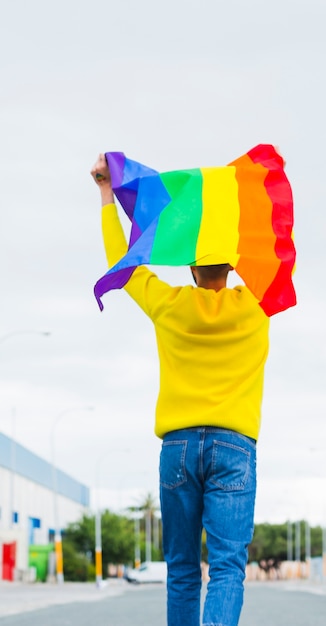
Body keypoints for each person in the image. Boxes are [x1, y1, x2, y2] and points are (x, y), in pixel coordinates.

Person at [91, 153, 270, 626]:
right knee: (228, 568)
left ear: (190, 269)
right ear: (233, 267)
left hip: (179, 448)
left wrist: (108, 194)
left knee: (184, 570)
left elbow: (121, 262)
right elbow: (276, 249)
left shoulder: (168, 305)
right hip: (235, 446)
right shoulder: (257, 309)